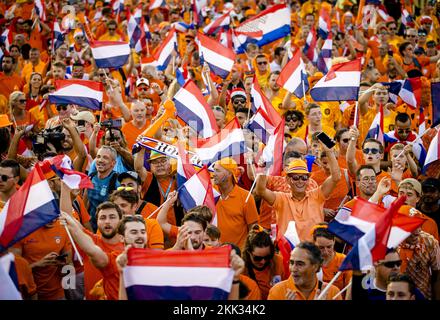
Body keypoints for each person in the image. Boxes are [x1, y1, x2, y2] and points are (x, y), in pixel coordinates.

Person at [255, 144, 340, 241]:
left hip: (313, 253)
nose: (300, 181)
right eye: (295, 177)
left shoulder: (317, 195)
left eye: (304, 178)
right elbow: (260, 190)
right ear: (287, 180)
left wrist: (329, 151)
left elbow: (336, 177)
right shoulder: (281, 199)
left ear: (308, 180)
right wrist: (262, 169)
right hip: (289, 253)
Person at [268, 242, 341, 300]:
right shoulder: (277, 291)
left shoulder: (332, 292)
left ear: (315, 266)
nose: (293, 269)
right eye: (291, 263)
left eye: (300, 264)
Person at [213, 157, 259, 249]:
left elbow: (253, 228)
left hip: (238, 255)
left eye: (217, 171)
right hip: (214, 253)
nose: (214, 174)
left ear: (229, 174)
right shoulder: (210, 192)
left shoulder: (246, 197)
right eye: (214, 170)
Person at [242, 225, 287, 300]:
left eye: (267, 257)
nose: (263, 261)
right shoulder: (241, 269)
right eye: (257, 258)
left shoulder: (279, 262)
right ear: (248, 252)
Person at [85, 146, 120, 231]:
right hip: (90, 224)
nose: (100, 160)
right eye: (98, 157)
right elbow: (85, 201)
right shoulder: (91, 176)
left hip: (108, 227)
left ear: (113, 163)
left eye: (105, 158)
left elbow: (119, 208)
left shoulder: (116, 180)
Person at [312, 224, 352, 291]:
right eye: (321, 248)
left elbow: (350, 288)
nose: (326, 252)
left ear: (334, 242)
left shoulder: (343, 260)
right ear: (314, 243)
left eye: (329, 247)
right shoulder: (309, 260)